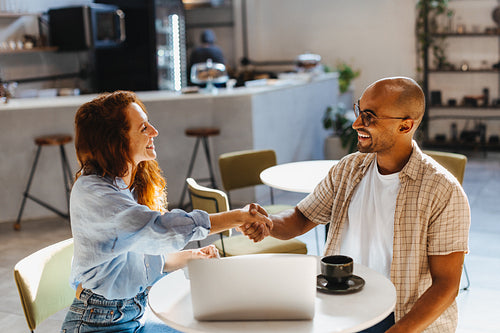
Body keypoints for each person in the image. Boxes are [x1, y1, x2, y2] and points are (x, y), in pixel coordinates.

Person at [241, 77, 470, 332]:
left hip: (401, 318)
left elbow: (446, 285)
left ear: (405, 126)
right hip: (342, 307)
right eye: (359, 111)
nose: (356, 123)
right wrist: (268, 224)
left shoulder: (443, 191)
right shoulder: (349, 169)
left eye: (370, 117)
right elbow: (302, 217)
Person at [60, 90, 272, 333]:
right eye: (142, 128)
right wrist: (235, 217)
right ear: (115, 141)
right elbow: (158, 228)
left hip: (132, 316)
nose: (154, 131)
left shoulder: (128, 185)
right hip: (96, 324)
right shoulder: (93, 193)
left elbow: (144, 256)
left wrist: (192, 256)